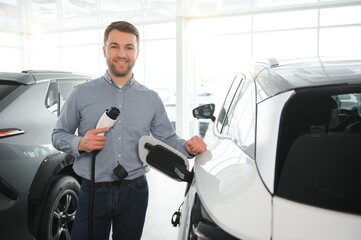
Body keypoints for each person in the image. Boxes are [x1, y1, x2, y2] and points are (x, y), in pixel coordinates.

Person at [51, 20, 207, 240]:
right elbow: (58, 135)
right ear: (104, 50)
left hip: (135, 192)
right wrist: (80, 143)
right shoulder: (81, 94)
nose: (121, 53)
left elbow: (168, 138)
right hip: (93, 191)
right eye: (114, 46)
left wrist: (189, 148)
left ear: (137, 52)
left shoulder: (150, 98)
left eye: (129, 47)